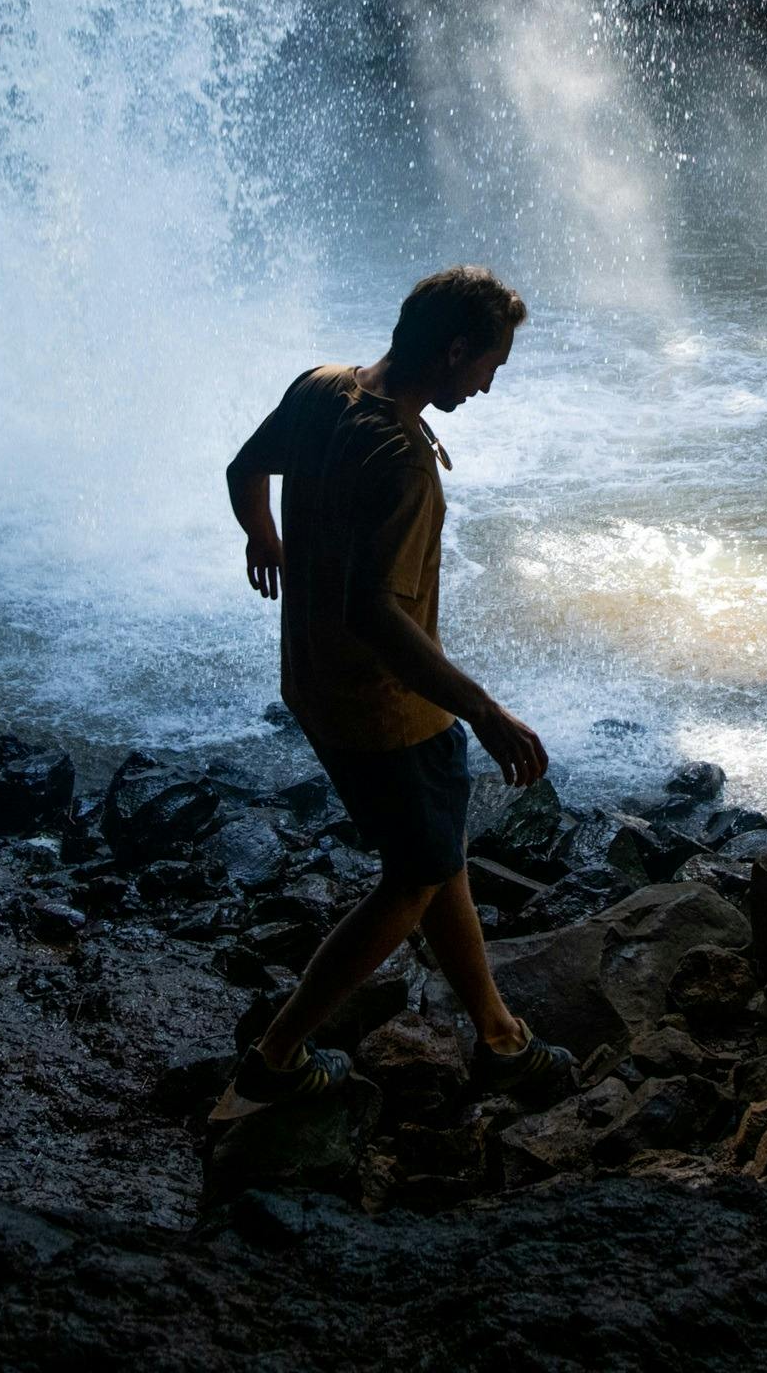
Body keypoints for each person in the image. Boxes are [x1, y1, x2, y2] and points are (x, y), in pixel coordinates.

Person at [221, 265, 577, 1107]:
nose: (489, 384)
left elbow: (244, 467)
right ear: (454, 352)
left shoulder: (320, 390)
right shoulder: (405, 465)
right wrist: (483, 710)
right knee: (411, 881)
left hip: (313, 684)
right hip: (387, 711)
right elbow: (374, 614)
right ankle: (275, 1059)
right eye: (489, 364)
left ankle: (498, 1036)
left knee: (434, 858)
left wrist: (262, 536)